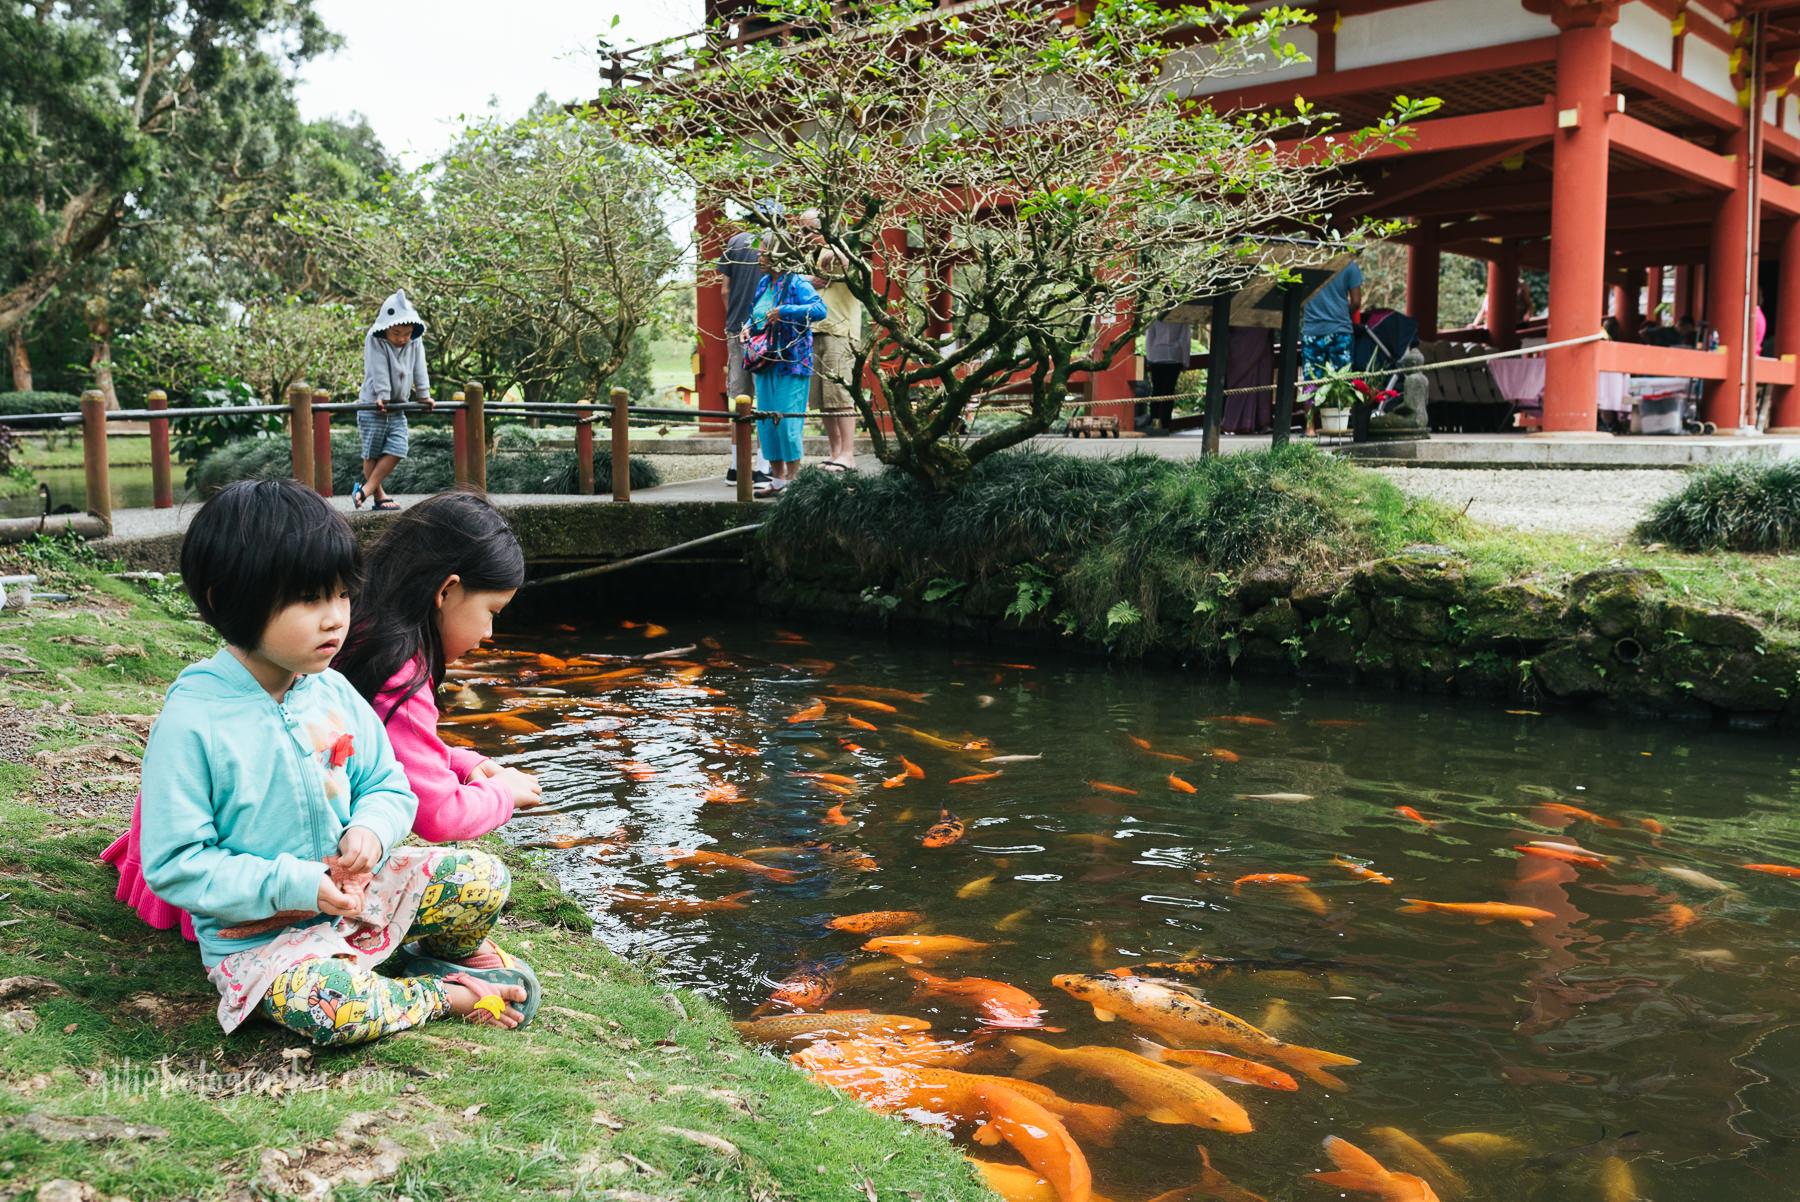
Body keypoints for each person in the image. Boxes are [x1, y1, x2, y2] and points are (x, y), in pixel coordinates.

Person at [134, 479, 538, 1044]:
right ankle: (439, 996)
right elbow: (177, 863)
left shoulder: (333, 692)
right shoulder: (194, 723)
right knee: (336, 1008)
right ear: (229, 599)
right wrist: (299, 883)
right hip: (260, 937)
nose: (335, 619)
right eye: (309, 600)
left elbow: (388, 785)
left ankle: (433, 954)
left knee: (484, 876)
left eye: (342, 595)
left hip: (356, 898)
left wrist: (371, 831)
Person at [333, 492, 542, 855]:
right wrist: (503, 794)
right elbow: (440, 814)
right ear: (446, 590)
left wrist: (460, 763)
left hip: (287, 853)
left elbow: (384, 749)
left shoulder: (358, 628)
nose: (488, 633)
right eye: (492, 611)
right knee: (481, 879)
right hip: (316, 875)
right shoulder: (399, 672)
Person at [745, 241, 827, 497]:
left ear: (777, 255)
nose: (758, 257)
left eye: (763, 253)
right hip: (764, 361)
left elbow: (819, 310)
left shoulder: (797, 282)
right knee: (767, 423)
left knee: (787, 423)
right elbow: (756, 314)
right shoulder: (764, 284)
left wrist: (785, 311)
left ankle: (794, 480)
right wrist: (747, 325)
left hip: (791, 361)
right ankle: (777, 479)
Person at [353, 289, 433, 512]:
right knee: (372, 452)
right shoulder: (375, 338)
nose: (401, 339)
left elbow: (420, 367)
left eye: (407, 333)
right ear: (386, 327)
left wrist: (423, 395)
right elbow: (377, 368)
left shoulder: (414, 341)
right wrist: (383, 396)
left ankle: (365, 490)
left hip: (398, 407)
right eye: (396, 333)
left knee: (398, 447)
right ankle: (378, 496)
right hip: (374, 404)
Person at [799, 209, 864, 470]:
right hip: (814, 331)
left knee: (840, 395)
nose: (802, 236)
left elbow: (851, 265)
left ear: (823, 230)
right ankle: (835, 451)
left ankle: (848, 453)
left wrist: (837, 256)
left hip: (840, 331)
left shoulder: (837, 251)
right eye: (801, 230)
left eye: (806, 230)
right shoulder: (807, 257)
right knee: (823, 399)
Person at [720, 228, 772, 489]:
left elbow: (725, 291)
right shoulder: (775, 240)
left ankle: (735, 467)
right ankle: (763, 467)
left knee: (741, 399)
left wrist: (735, 320)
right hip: (765, 330)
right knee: (765, 398)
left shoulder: (735, 241)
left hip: (736, 327)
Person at [1299, 260, 1363, 431]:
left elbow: (1299, 300)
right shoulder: (1349, 264)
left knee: (1311, 379)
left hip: (1312, 330)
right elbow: (1356, 302)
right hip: (1340, 330)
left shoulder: (1307, 263)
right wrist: (1340, 314)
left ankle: (1310, 428)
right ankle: (1340, 425)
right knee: (1341, 380)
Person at [1142, 319, 1192, 435]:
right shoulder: (1181, 318)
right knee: (1169, 393)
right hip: (1175, 357)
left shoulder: (1155, 318)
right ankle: (1165, 424)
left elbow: (1149, 338)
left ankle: (1155, 424)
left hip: (1157, 357)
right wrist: (1186, 362)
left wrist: (1149, 358)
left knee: (1156, 392)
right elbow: (1185, 340)